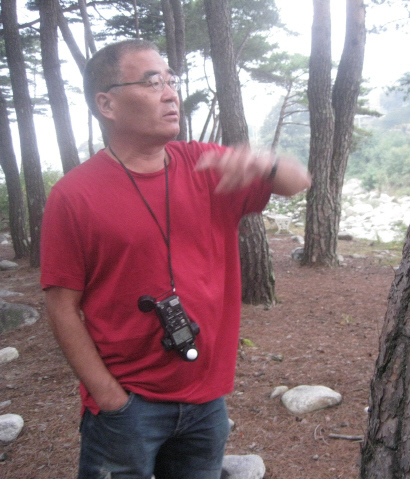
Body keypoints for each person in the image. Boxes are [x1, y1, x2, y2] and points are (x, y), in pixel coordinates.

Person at [40, 39, 310, 479]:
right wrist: (109, 398)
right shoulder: (74, 195)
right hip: (128, 407)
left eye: (171, 80)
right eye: (151, 82)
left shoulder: (204, 165)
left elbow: (297, 182)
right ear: (106, 103)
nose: (170, 93)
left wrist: (265, 162)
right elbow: (62, 306)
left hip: (207, 403)